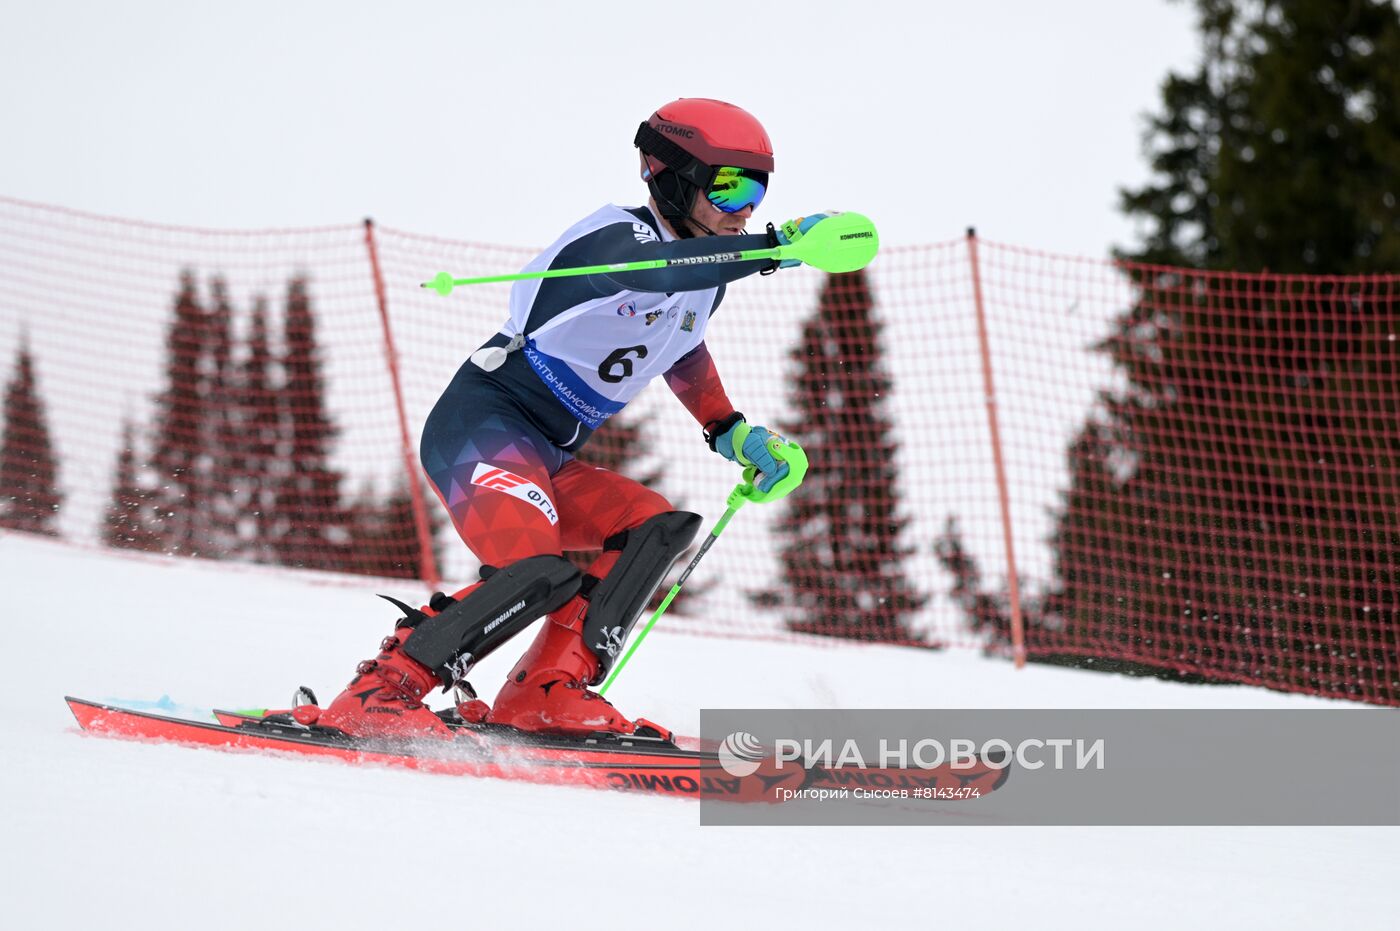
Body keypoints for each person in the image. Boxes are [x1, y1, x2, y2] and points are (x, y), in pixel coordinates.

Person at [315, 98, 830, 740]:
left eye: (758, 188)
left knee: (655, 526)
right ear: (665, 172)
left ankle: (547, 691)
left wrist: (731, 430)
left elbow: (681, 347)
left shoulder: (707, 278)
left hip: (547, 454)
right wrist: (778, 249)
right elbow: (654, 271)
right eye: (728, 186)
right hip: (483, 428)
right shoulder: (614, 237)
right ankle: (382, 689)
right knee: (540, 569)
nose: (747, 207)